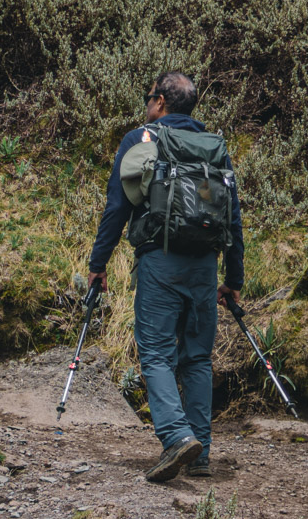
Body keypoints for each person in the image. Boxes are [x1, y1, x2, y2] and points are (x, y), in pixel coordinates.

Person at [87, 71, 245, 483]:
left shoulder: (141, 140)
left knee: (156, 353)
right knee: (196, 357)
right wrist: (235, 278)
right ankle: (200, 454)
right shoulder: (213, 147)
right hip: (205, 267)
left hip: (159, 261)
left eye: (148, 97)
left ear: (159, 101)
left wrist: (98, 263)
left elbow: (117, 208)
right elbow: (233, 217)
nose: (147, 104)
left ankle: (176, 437)